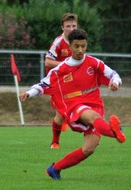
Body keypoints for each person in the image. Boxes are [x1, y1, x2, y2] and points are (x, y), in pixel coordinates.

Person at [19, 29, 126, 180]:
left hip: (96, 106)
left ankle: (54, 169)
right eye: (77, 46)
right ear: (70, 46)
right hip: (74, 108)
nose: (80, 50)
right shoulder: (60, 69)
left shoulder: (94, 62)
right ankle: (115, 132)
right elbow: (43, 84)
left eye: (83, 46)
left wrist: (115, 83)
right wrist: (29, 93)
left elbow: (113, 74)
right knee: (92, 116)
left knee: (89, 148)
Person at [45, 13, 78, 149]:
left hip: (72, 80)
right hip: (57, 81)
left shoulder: (78, 41)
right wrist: (65, 64)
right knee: (60, 113)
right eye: (68, 26)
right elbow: (47, 62)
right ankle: (55, 142)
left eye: (74, 26)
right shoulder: (58, 42)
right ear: (62, 28)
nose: (71, 29)